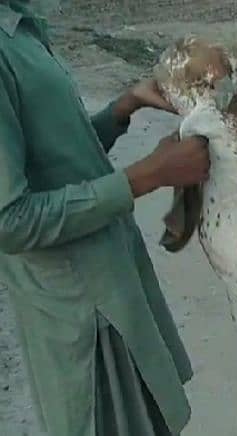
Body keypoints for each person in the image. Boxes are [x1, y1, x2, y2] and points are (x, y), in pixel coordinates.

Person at [0, 1, 210, 435]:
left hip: (111, 288)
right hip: (82, 314)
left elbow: (54, 161)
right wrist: (147, 175)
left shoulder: (18, 26)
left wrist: (123, 108)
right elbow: (10, 220)